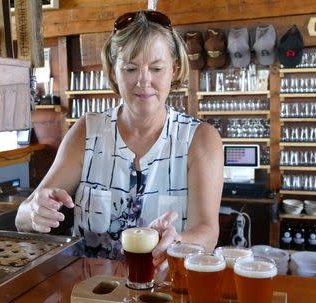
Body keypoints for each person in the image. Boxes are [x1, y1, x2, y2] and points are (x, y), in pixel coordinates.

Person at [16, 10, 224, 271]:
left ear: (175, 69)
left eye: (157, 68)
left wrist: (178, 240)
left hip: (166, 298)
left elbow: (207, 232)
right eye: (130, 68)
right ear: (113, 72)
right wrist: (35, 212)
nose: (143, 81)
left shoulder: (200, 139)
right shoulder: (86, 132)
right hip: (92, 296)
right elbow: (23, 215)